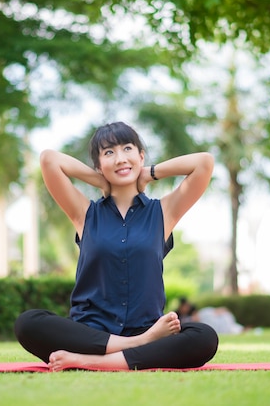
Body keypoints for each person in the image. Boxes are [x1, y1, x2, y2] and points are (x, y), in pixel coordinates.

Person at [14, 121, 218, 371]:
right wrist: (100, 181)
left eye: (128, 149)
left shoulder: (163, 212)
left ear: (141, 156)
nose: (120, 158)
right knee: (28, 323)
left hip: (144, 327)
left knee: (204, 337)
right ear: (99, 165)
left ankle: (87, 362)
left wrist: (149, 173)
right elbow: (48, 159)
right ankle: (135, 346)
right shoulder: (85, 213)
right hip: (91, 333)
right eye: (109, 153)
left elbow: (204, 163)